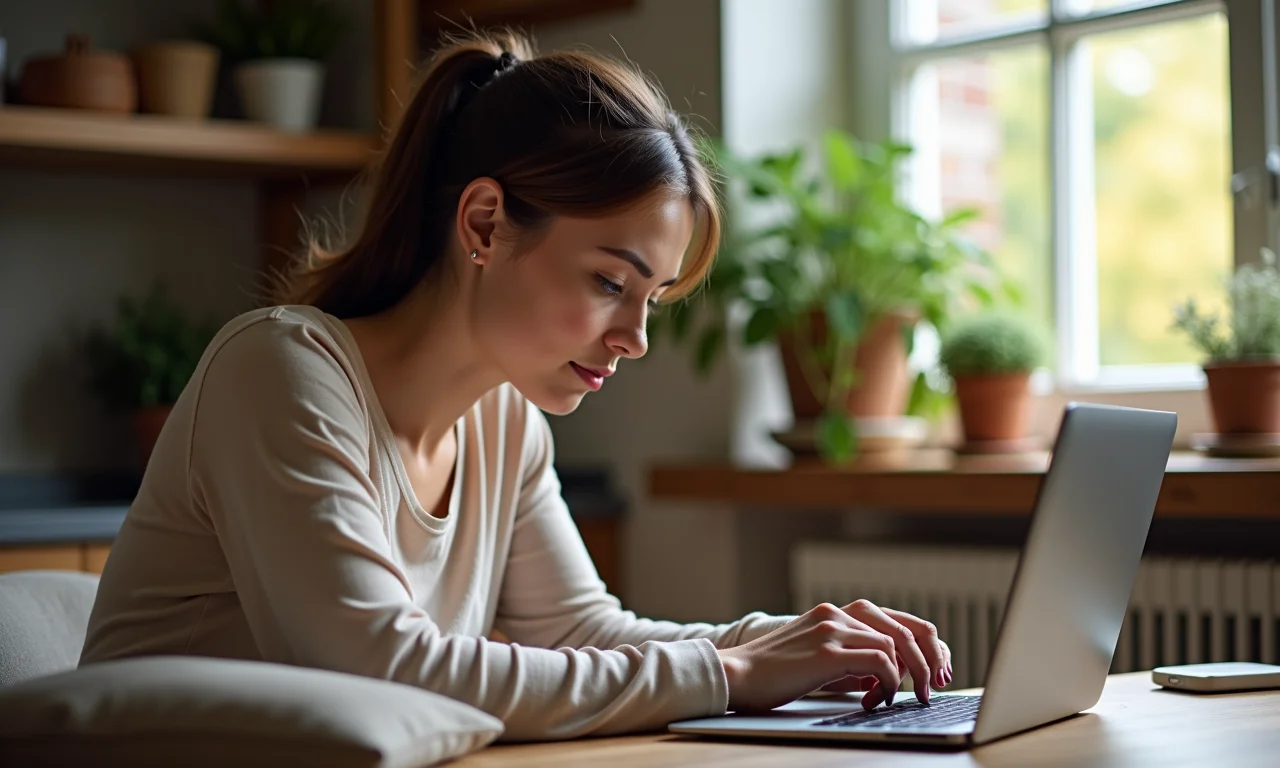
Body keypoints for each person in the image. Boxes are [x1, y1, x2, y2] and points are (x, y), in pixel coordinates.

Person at [79, 31, 952, 741]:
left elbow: (583, 635)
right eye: (612, 283)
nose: (636, 337)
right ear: (485, 224)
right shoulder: (280, 374)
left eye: (651, 299)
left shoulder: (505, 419)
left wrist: (792, 641)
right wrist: (731, 673)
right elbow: (381, 671)